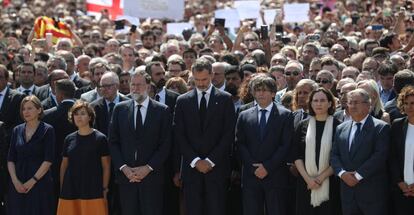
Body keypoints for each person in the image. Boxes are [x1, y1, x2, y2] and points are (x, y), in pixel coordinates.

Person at [174, 58, 236, 215]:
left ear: (212, 75)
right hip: (191, 170)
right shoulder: (182, 101)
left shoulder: (225, 99)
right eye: (197, 80)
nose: (201, 84)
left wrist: (210, 161)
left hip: (217, 170)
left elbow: (228, 134)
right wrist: (195, 161)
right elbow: (179, 135)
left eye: (204, 79)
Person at [109, 69, 172, 215]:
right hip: (127, 178)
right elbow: (113, 141)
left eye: (139, 85)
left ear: (148, 87)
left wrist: (148, 168)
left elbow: (166, 144)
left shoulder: (162, 111)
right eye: (133, 85)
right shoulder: (120, 109)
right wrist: (124, 168)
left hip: (152, 178)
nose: (135, 88)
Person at [235, 75, 293, 215]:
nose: (261, 93)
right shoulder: (244, 115)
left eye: (265, 90)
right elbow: (239, 143)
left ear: (273, 93)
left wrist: (267, 167)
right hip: (251, 175)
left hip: (275, 175)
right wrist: (252, 166)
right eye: (257, 90)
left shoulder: (285, 115)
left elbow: (285, 145)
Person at [331, 89, 390, 215]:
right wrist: (342, 174)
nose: (352, 106)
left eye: (356, 102)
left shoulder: (380, 127)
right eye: (350, 103)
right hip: (347, 192)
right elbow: (334, 155)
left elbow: (379, 156)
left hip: (371, 193)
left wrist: (357, 176)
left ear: (368, 105)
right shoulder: (341, 128)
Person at [57, 100, 110, 215]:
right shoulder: (69, 139)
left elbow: (106, 166)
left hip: (93, 188)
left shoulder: (101, 139)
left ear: (90, 117)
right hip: (70, 188)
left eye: (82, 113)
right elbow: (64, 165)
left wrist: (105, 189)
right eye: (76, 114)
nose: (78, 117)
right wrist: (62, 188)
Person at [294, 88, 341, 215]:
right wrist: (309, 180)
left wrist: (319, 179)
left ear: (330, 103)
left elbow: (338, 157)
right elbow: (296, 155)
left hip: (329, 183)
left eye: (322, 100)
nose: (318, 104)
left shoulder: (339, 126)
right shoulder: (302, 125)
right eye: (315, 100)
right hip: (305, 183)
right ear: (311, 103)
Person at [7, 95, 55, 215]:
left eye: (30, 108)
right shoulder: (16, 130)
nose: (26, 112)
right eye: (23, 109)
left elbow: (48, 159)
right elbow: (11, 158)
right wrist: (15, 181)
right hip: (18, 182)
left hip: (40, 183)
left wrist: (32, 181)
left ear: (39, 110)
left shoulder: (48, 130)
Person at [389, 85, 414, 215]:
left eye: (413, 103)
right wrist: (399, 182)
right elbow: (392, 157)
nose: (409, 106)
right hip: (401, 190)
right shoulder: (397, 125)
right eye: (406, 103)